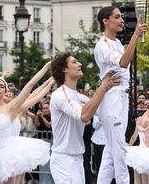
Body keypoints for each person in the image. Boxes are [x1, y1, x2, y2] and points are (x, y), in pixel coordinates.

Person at [93, 5, 146, 184]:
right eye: (117, 17)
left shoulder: (116, 43)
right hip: (112, 98)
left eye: (121, 16)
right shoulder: (102, 45)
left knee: (110, 151)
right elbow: (123, 63)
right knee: (119, 149)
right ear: (105, 21)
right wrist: (136, 35)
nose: (121, 20)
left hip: (121, 97)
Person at [49, 52, 120, 183]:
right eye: (74, 62)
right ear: (64, 69)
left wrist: (115, 91)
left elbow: (104, 113)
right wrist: (102, 88)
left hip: (77, 158)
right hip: (63, 160)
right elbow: (84, 115)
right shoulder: (60, 95)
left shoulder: (79, 97)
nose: (80, 64)